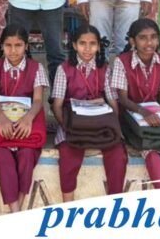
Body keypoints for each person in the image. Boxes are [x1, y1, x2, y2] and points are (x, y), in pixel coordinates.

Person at [50, 24, 127, 202]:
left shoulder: (104, 68)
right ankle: (68, 204)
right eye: (82, 43)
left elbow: (112, 100)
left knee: (117, 153)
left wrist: (114, 126)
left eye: (92, 44)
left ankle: (115, 203)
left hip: (100, 123)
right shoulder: (64, 69)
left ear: (99, 46)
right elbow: (57, 105)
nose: (87, 48)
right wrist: (67, 127)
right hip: (72, 123)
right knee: (68, 153)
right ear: (74, 45)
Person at [112, 19, 160, 189]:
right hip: (131, 117)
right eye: (143, 38)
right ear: (133, 41)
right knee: (152, 155)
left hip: (157, 118)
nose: (149, 42)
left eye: (153, 37)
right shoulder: (122, 61)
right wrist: (144, 112)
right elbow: (123, 99)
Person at [0, 25, 49, 213]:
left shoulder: (36, 68)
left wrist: (28, 118)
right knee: (3, 158)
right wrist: (1, 117)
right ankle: (16, 212)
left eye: (18, 45)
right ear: (1, 46)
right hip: (2, 123)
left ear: (26, 46)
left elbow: (38, 100)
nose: (13, 51)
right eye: (8, 45)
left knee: (27, 156)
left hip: (26, 122)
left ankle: (15, 211)